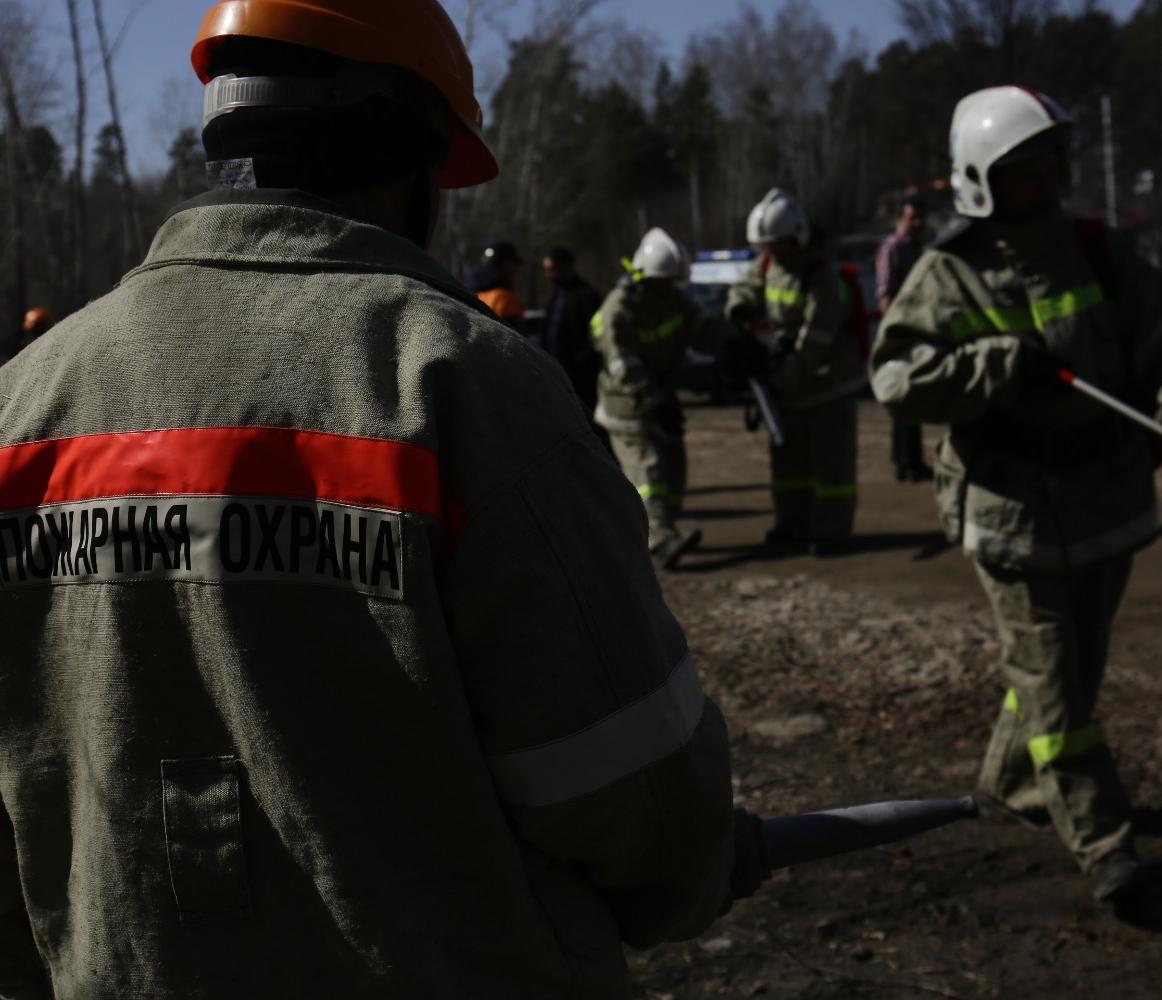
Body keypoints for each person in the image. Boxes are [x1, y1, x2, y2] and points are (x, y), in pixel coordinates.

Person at [0, 3, 736, 995]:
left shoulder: (25, 401)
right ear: (409, 148)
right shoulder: (462, 379)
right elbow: (634, 795)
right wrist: (687, 871)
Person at [870, 86, 1162, 921]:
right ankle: (1106, 849)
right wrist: (990, 368)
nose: (1043, 179)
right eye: (1021, 169)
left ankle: (1007, 784)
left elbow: (1156, 343)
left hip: (1107, 506)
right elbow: (894, 380)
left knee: (1064, 675)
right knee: (1058, 696)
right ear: (980, 180)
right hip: (1012, 517)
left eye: (1047, 164)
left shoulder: (1102, 255)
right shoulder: (949, 272)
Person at [726, 189, 866, 557]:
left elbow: (813, 344)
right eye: (767, 246)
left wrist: (782, 380)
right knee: (788, 465)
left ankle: (833, 532)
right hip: (791, 383)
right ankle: (791, 525)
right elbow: (746, 288)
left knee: (831, 465)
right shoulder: (770, 264)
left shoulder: (824, 278)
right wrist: (739, 311)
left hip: (827, 384)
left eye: (779, 245)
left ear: (797, 237)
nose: (772, 253)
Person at [591, 227, 742, 570]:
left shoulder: (672, 298)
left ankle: (662, 527)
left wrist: (732, 342)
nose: (670, 287)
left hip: (661, 397)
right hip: (627, 406)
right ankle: (659, 538)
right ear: (645, 276)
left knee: (674, 470)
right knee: (650, 472)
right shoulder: (619, 309)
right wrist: (650, 398)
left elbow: (701, 326)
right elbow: (621, 364)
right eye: (665, 280)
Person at [875, 195, 933, 483]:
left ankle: (911, 460)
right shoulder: (893, 248)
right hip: (902, 330)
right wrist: (895, 330)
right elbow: (885, 293)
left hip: (919, 328)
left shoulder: (919, 249)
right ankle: (904, 461)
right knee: (902, 395)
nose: (917, 223)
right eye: (912, 218)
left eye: (920, 218)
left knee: (915, 395)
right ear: (900, 219)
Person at [542, 246, 603, 412]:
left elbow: (597, 335)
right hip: (558, 374)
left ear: (567, 267)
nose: (549, 275)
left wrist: (580, 362)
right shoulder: (555, 296)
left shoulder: (587, 296)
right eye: (546, 270)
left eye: (553, 269)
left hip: (582, 378)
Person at [465, 238, 525, 331]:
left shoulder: (464, 293)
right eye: (514, 264)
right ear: (506, 264)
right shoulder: (506, 299)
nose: (515, 270)